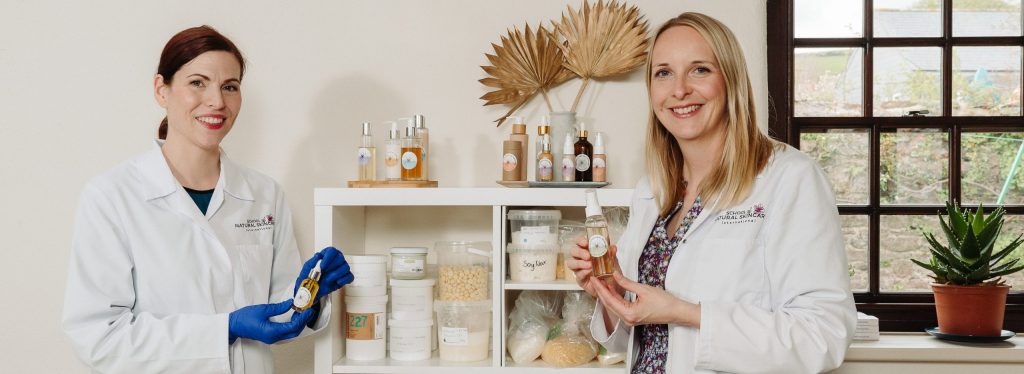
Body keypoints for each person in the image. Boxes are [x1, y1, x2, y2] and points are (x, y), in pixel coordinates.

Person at [567, 13, 856, 373]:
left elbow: (821, 337)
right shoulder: (653, 191)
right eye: (663, 73)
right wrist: (610, 290)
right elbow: (647, 340)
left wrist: (684, 312)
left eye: (699, 70)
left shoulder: (789, 179)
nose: (679, 90)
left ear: (730, 80)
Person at [62, 26, 353, 373]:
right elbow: (98, 339)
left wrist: (312, 295)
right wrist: (224, 328)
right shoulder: (112, 197)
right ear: (161, 89)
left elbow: (280, 315)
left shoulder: (263, 194)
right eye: (198, 83)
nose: (217, 101)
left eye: (230, 87)